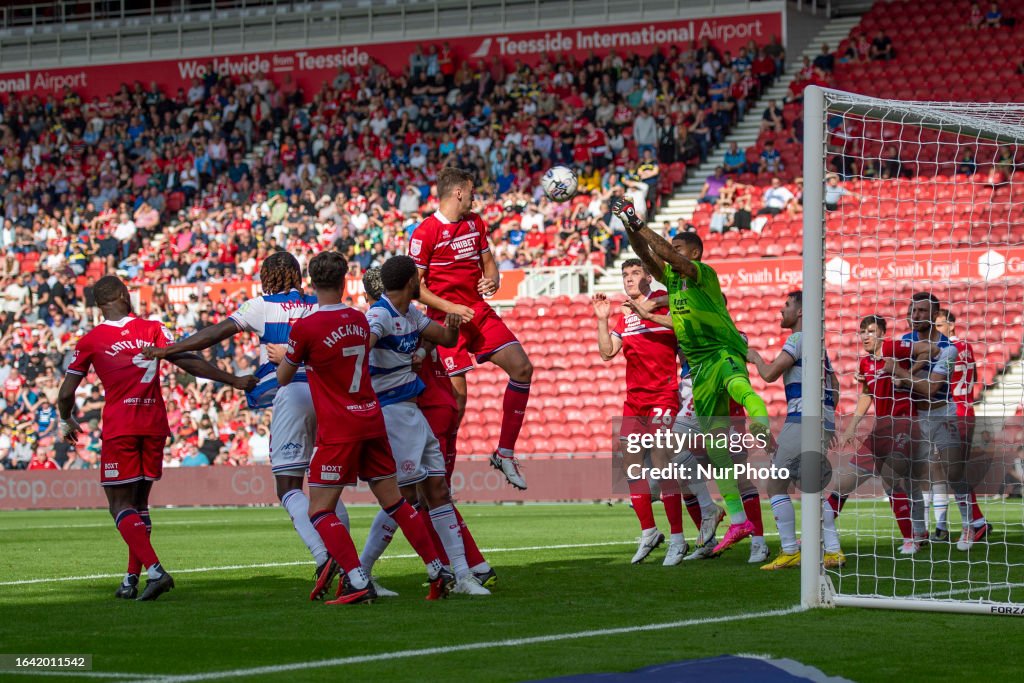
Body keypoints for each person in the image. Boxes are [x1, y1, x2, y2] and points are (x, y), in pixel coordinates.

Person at [144, 252, 346, 599]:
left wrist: (170, 350)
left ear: (268, 277)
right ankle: (352, 563)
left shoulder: (262, 306)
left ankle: (324, 555)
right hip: (326, 396)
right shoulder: (317, 304)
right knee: (325, 484)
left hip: (292, 394)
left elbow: (214, 334)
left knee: (288, 487)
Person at [57, 275, 254, 601]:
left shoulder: (90, 340)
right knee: (139, 506)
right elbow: (190, 363)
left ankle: (157, 572)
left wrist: (66, 419)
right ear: (124, 295)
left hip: (121, 427)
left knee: (119, 506)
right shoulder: (153, 328)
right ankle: (130, 580)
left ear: (99, 305)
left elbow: (66, 393)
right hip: (154, 424)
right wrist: (232, 380)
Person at [276, 251, 455, 604]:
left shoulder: (306, 327)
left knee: (319, 509)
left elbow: (283, 377)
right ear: (345, 282)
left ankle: (357, 580)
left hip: (339, 426)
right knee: (397, 502)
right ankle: (437, 569)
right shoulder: (360, 319)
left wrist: (293, 357)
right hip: (372, 417)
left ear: (311, 283)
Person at [613, 195, 773, 556]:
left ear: (694, 254)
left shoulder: (703, 276)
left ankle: (758, 541)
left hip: (721, 376)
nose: (671, 253)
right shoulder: (673, 285)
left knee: (732, 471)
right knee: (683, 461)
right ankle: (717, 523)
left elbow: (668, 258)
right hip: (699, 382)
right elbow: (650, 258)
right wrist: (629, 226)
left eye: (679, 248)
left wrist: (637, 221)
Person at [357, 257, 491, 595]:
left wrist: (453, 323)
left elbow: (444, 337)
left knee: (437, 491)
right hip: (391, 414)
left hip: (412, 413)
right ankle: (360, 572)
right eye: (418, 279)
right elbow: (359, 350)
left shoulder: (410, 314)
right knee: (404, 497)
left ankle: (463, 576)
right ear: (410, 284)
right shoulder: (379, 316)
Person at [410, 167, 532, 490]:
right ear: (458, 192)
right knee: (456, 405)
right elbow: (415, 288)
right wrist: (450, 308)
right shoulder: (424, 233)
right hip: (445, 321)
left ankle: (504, 453)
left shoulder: (475, 223)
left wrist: (493, 280)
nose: (475, 198)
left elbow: (489, 264)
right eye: (472, 192)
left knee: (522, 368)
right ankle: (442, 484)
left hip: (477, 312)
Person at [592, 259, 686, 565]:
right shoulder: (626, 316)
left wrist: (649, 311)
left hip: (663, 395)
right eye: (625, 275)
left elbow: (683, 322)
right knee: (630, 463)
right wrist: (602, 320)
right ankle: (649, 531)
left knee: (660, 460)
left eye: (635, 273)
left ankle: (678, 539)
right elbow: (607, 352)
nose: (629, 279)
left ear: (648, 277)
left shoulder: (664, 302)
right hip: (634, 401)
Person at [747, 291, 844, 570]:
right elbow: (835, 386)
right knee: (811, 487)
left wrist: (755, 358)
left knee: (775, 484)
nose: (782, 310)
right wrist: (827, 419)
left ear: (801, 312)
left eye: (787, 305)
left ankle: (790, 550)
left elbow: (769, 375)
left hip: (802, 418)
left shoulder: (798, 339)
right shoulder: (818, 343)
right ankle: (833, 551)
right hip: (820, 420)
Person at [889, 293, 988, 553]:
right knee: (911, 475)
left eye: (922, 311)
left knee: (953, 472)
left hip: (943, 414)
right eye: (913, 310)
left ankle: (969, 525)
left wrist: (899, 373)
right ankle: (918, 532)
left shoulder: (948, 348)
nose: (916, 315)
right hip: (915, 416)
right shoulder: (903, 342)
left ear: (935, 315)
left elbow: (931, 387)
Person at [829, 315, 918, 547]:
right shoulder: (866, 363)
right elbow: (867, 393)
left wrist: (905, 375)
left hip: (905, 425)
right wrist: (851, 428)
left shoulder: (895, 349)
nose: (865, 336)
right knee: (843, 483)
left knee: (891, 479)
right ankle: (815, 535)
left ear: (882, 334)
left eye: (871, 331)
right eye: (862, 332)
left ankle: (911, 539)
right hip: (881, 429)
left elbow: (927, 351)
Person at [933, 308, 990, 545]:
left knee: (952, 473)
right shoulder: (966, 346)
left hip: (952, 415)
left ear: (951, 325)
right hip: (967, 411)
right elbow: (974, 377)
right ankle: (949, 526)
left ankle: (974, 523)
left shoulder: (944, 349)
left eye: (939, 325)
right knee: (951, 471)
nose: (936, 330)